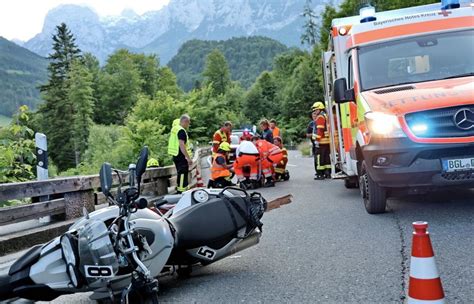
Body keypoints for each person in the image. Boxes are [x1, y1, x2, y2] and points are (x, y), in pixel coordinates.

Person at [168, 114, 192, 193]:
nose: (188, 125)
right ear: (185, 122)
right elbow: (182, 145)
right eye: (188, 123)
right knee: (182, 173)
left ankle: (180, 187)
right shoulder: (181, 131)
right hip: (181, 155)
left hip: (175, 155)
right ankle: (181, 190)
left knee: (180, 172)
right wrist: (188, 158)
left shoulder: (175, 128)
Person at [307, 102, 331, 180]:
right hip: (327, 141)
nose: (315, 111)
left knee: (319, 158)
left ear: (320, 109)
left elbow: (320, 130)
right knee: (327, 157)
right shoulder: (326, 116)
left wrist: (317, 140)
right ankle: (328, 173)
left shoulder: (320, 117)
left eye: (315, 109)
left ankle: (320, 174)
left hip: (321, 141)